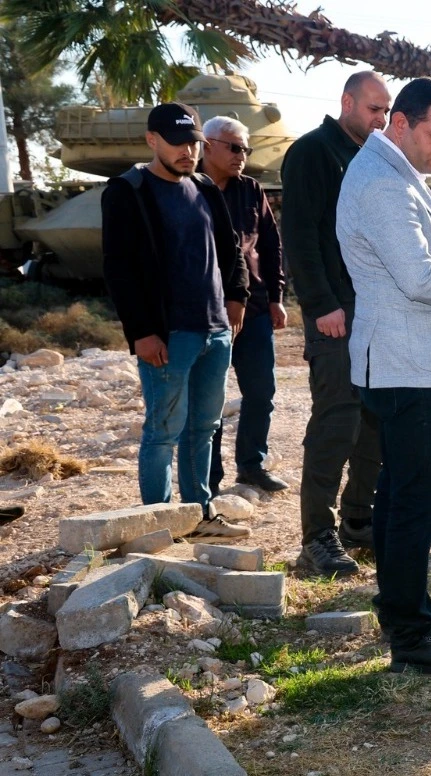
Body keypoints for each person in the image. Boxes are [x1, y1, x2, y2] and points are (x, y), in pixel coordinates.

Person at [338, 76, 431, 674]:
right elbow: (420, 277)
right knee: (416, 500)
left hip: (408, 364)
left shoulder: (392, 171)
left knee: (406, 495)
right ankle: (411, 634)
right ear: (399, 123)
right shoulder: (381, 182)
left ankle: (407, 604)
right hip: (406, 368)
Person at [102, 102, 251, 541]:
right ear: (152, 140)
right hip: (167, 335)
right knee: (163, 432)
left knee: (203, 429)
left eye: (193, 142)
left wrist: (237, 298)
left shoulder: (205, 187)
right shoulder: (128, 190)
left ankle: (200, 515)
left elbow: (231, 250)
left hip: (215, 329)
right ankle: (157, 524)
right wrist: (140, 332)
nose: (188, 151)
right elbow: (118, 269)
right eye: (177, 142)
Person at [281, 71, 390, 577]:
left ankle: (358, 522)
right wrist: (321, 304)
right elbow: (299, 237)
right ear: (347, 102)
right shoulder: (313, 153)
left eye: (386, 110)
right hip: (335, 319)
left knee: (375, 422)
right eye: (373, 108)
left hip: (374, 316)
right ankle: (316, 539)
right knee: (335, 423)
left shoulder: (371, 157)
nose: (380, 118)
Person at [200, 115, 289, 497]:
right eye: (234, 147)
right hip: (204, 313)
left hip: (252, 312)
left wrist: (276, 299)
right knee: (211, 399)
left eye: (245, 149)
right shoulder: (188, 188)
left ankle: (251, 466)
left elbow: (270, 246)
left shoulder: (251, 190)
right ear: (207, 146)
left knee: (260, 392)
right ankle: (209, 476)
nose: (242, 155)